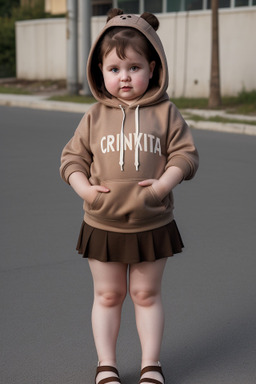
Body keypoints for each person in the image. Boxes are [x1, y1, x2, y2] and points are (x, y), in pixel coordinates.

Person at [60, 8, 199, 384]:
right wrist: (85, 189)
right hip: (102, 221)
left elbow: (185, 155)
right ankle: (107, 364)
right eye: (114, 69)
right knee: (108, 295)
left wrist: (161, 186)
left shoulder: (166, 112)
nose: (124, 77)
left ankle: (150, 364)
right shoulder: (93, 116)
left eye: (134, 67)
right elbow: (72, 158)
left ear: (152, 68)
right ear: (100, 72)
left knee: (145, 294)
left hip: (152, 221)